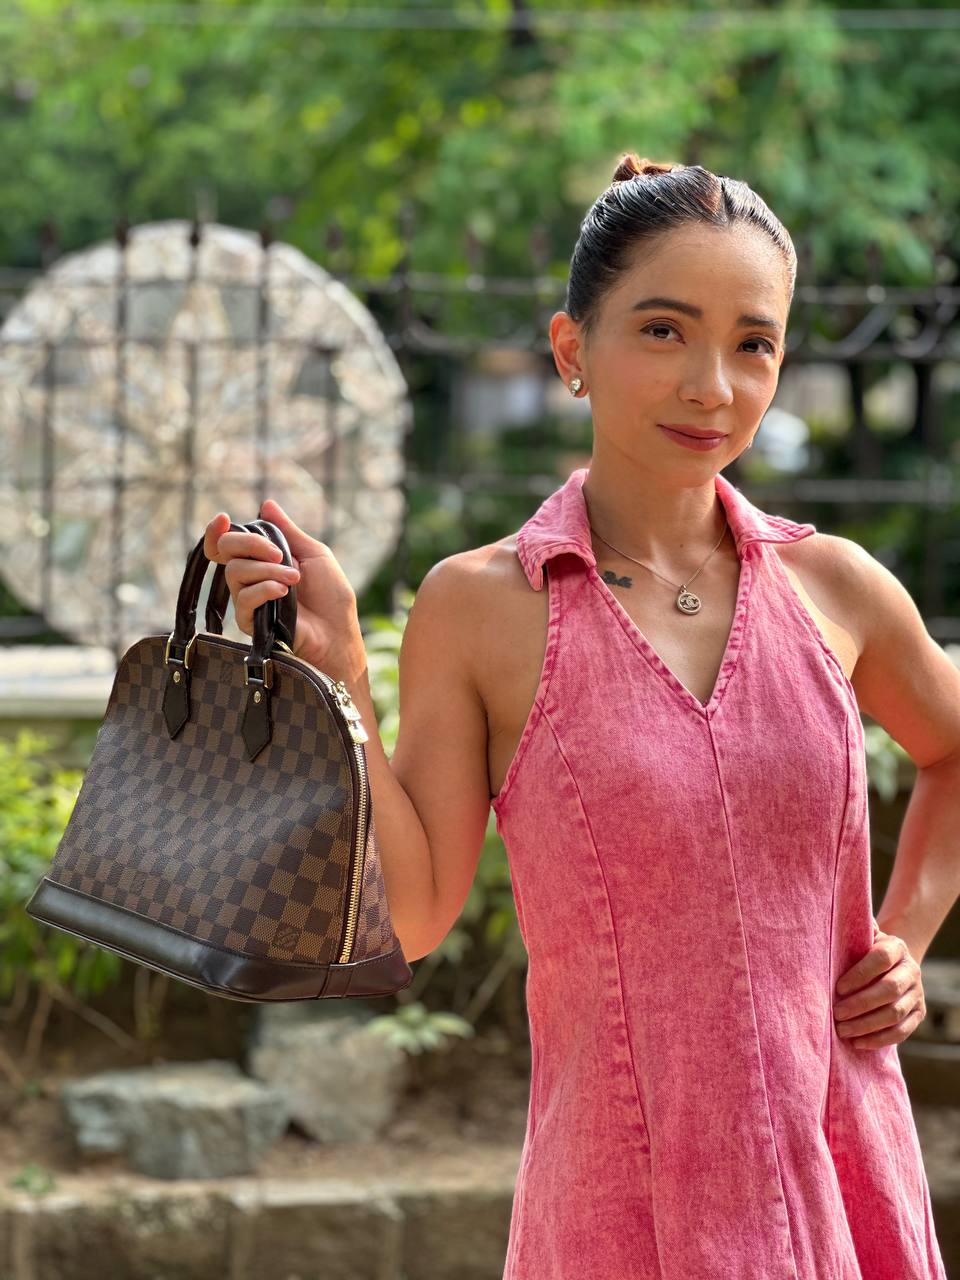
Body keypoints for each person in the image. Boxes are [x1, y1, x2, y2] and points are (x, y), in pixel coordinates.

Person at [203, 154, 957, 1279]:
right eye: (662, 330)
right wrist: (343, 676)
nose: (711, 384)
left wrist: (908, 933)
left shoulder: (837, 587)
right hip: (621, 1205)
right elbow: (414, 915)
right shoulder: (483, 606)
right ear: (571, 351)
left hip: (842, 1176)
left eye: (753, 343)